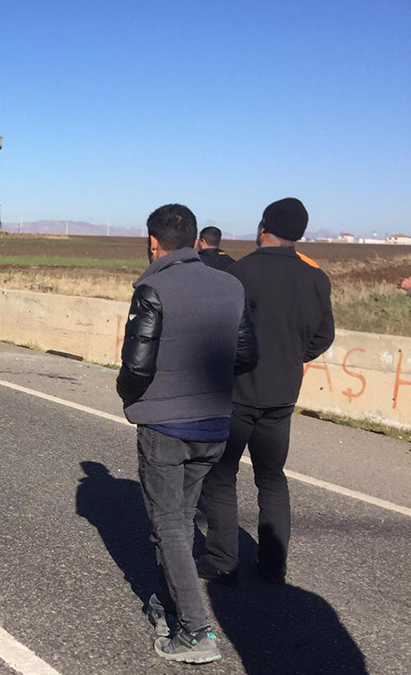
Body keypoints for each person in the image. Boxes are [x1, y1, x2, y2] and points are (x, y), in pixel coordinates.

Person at [117, 203, 257, 664]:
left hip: (166, 425)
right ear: (197, 240)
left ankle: (197, 633)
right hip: (215, 423)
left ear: (153, 243)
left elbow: (136, 363)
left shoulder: (153, 285)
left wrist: (131, 398)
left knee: (170, 526)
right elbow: (246, 354)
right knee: (180, 521)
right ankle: (166, 608)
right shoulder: (230, 285)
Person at [199, 197, 334, 587]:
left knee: (222, 477)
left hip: (239, 393)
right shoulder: (316, 277)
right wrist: (293, 356)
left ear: (262, 229)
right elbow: (324, 336)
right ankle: (274, 565)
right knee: (272, 478)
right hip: (283, 395)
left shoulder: (242, 272)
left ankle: (223, 560)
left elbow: (218, 331)